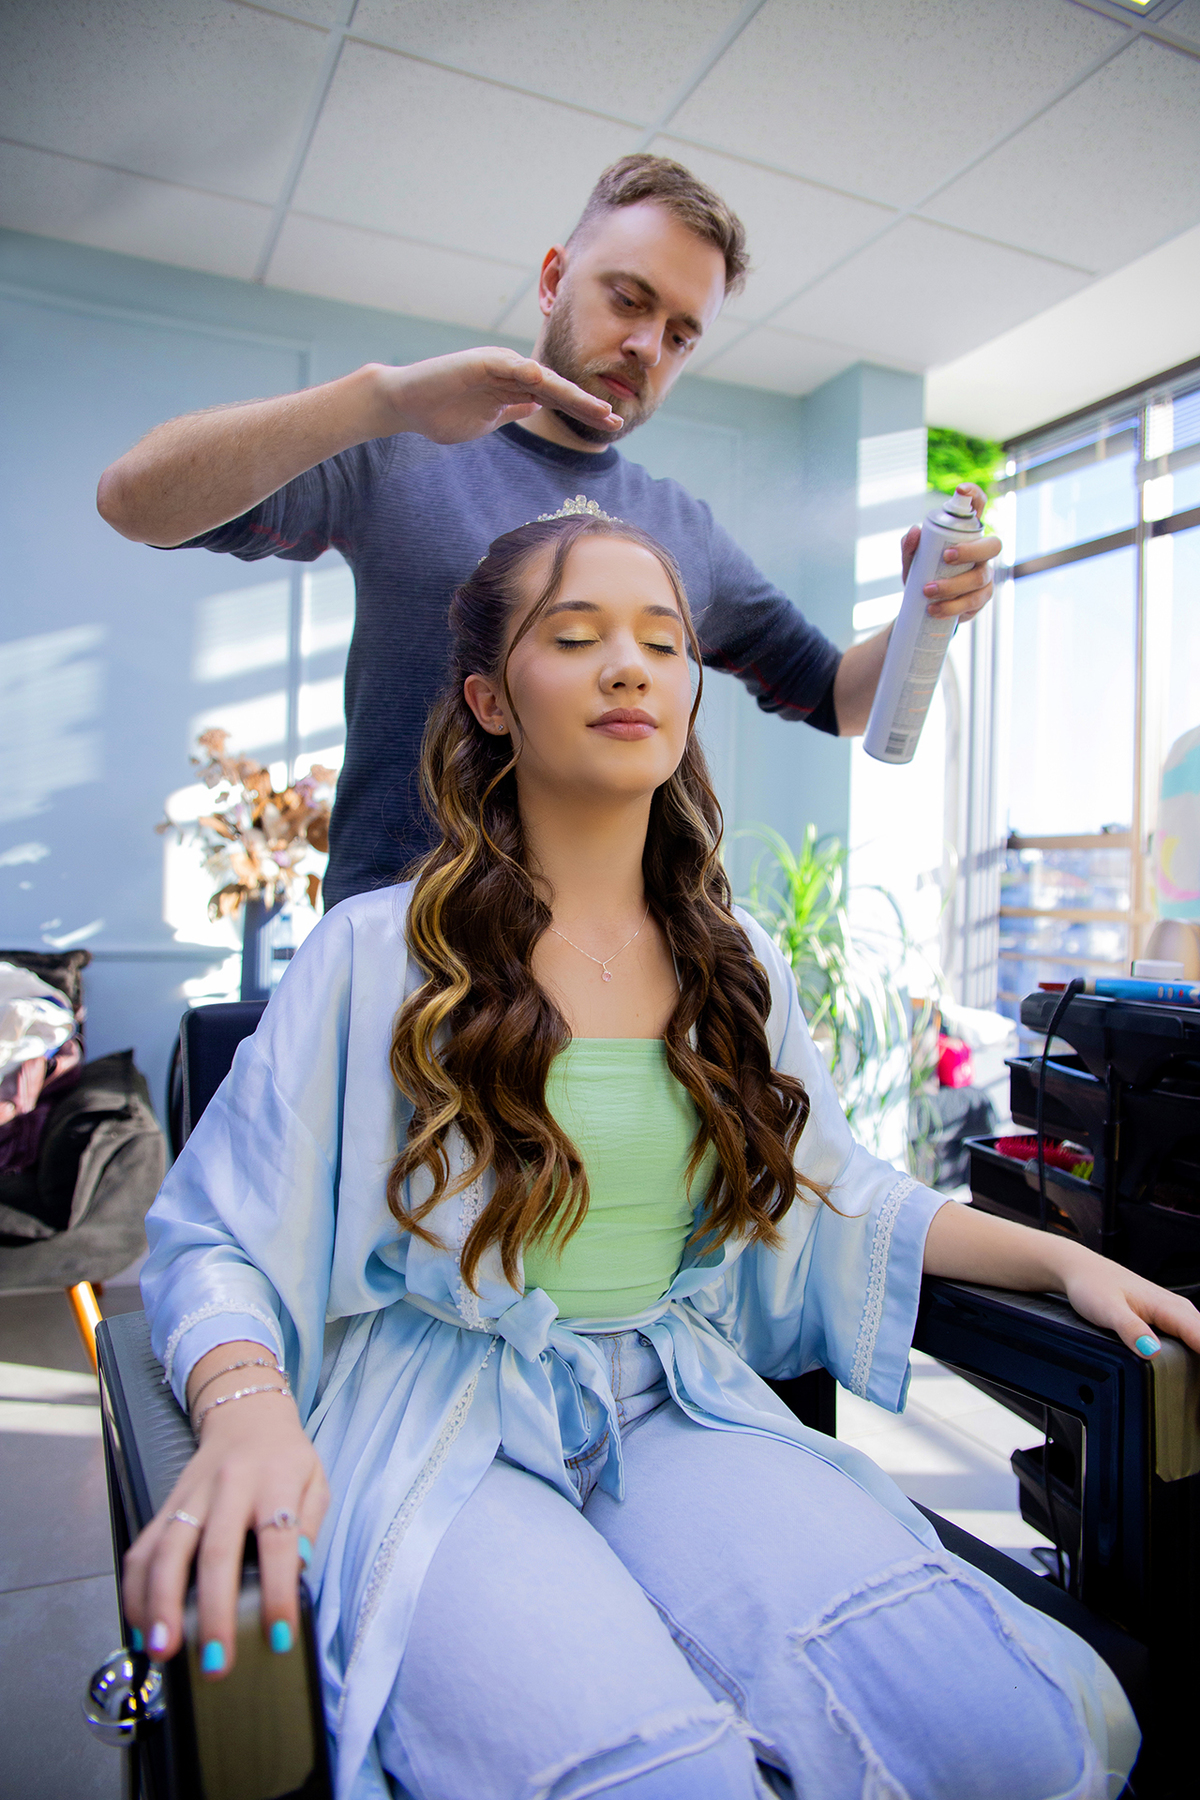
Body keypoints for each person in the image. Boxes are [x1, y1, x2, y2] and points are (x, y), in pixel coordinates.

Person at [127, 507, 1194, 1800]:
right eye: (575, 637)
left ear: (692, 689)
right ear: (490, 697)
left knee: (1003, 1734)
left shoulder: (733, 963)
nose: (630, 666)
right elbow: (219, 1234)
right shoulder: (375, 957)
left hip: (673, 1398)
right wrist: (243, 1407)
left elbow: (840, 1193)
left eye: (664, 643)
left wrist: (1060, 1264)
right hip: (438, 1414)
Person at [96, 154, 1000, 911]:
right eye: (629, 299)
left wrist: (931, 609)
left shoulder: (684, 532)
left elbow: (838, 698)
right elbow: (136, 502)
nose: (649, 346)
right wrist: (382, 399)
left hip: (600, 973)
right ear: (553, 280)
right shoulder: (403, 452)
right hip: (398, 949)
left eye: (682, 334)